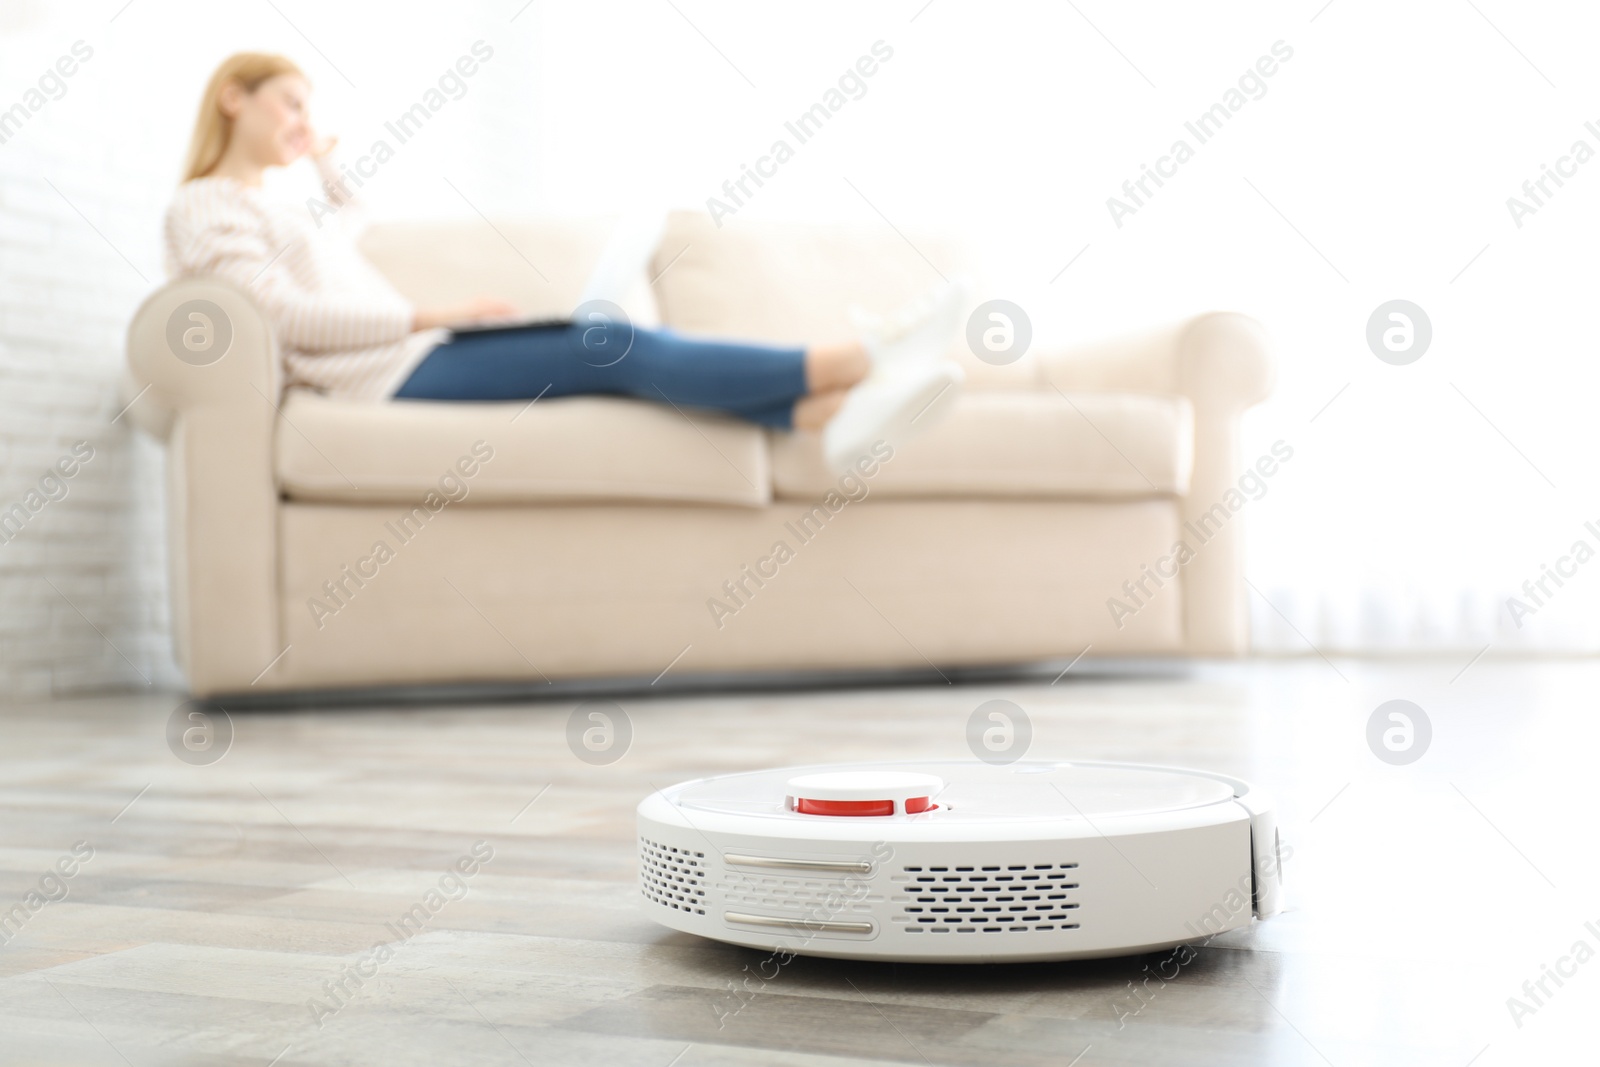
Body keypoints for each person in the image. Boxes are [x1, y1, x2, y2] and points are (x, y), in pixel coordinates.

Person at [164, 53, 965, 470]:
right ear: (234, 96)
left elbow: (361, 226)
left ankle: (836, 413)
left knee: (623, 360)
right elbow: (276, 313)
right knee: (608, 343)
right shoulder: (205, 203)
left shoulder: (281, 203)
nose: (304, 119)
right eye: (291, 102)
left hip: (405, 356)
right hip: (379, 372)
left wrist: (324, 165)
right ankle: (865, 357)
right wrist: (434, 315)